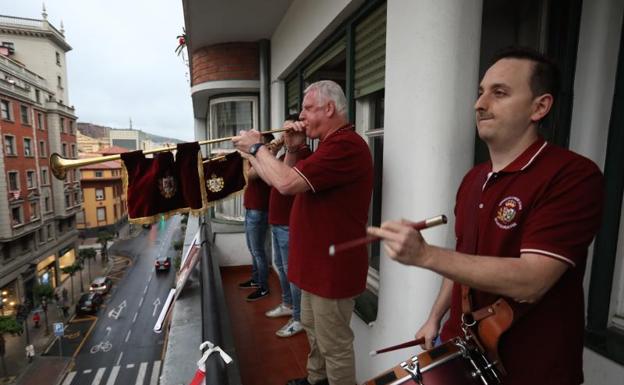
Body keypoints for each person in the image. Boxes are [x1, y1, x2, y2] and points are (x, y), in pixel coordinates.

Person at [368, 47, 604, 385]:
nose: (480, 104)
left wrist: (425, 254)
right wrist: (435, 317)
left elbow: (532, 280)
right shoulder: (473, 179)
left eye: (499, 93)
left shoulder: (572, 175)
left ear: (540, 107)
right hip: (463, 356)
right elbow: (462, 258)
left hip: (532, 369)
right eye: (480, 93)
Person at [233, 80, 373, 385]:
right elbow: (286, 180)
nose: (302, 115)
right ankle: (315, 380)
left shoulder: (345, 146)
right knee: (311, 327)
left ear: (329, 108)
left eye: (308, 108)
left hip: (332, 270)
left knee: (335, 346)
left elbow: (284, 183)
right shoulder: (326, 146)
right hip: (315, 265)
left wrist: (257, 148)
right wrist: (293, 148)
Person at [264, 115, 313, 338]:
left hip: (288, 224)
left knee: (292, 273)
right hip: (277, 222)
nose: (284, 136)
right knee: (281, 267)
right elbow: (270, 179)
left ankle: (299, 318)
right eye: (284, 133)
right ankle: (287, 304)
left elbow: (284, 183)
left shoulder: (304, 156)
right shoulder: (286, 154)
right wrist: (271, 151)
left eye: (288, 132)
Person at [238, 133, 274, 302]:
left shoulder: (266, 162)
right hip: (251, 209)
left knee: (258, 251)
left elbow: (250, 175)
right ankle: (256, 280)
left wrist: (249, 155)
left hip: (258, 211)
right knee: (253, 249)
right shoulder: (257, 160)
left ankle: (263, 287)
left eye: (258, 144)